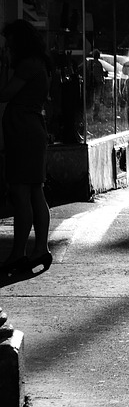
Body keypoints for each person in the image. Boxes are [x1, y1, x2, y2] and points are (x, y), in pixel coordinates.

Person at [0, 20, 54, 286]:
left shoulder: (27, 65)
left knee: (23, 192)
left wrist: (4, 64)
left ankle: (19, 252)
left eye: (9, 45)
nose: (7, 49)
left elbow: (4, 93)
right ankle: (38, 248)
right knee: (34, 191)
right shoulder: (38, 63)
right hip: (30, 131)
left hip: (24, 133)